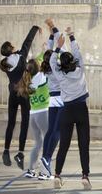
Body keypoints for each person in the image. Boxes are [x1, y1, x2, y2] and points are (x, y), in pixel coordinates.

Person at [49, 28, 91, 190]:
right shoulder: (80, 70)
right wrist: (72, 36)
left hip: (67, 111)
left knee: (64, 145)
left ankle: (57, 175)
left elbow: (53, 62)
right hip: (81, 109)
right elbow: (77, 52)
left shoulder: (60, 74)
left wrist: (58, 46)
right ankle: (85, 176)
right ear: (73, 61)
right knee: (83, 144)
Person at [0, 25, 41, 170]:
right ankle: (20, 153)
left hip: (12, 95)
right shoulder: (21, 56)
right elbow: (27, 42)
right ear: (11, 48)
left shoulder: (6, 63)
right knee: (24, 123)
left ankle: (6, 150)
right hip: (23, 94)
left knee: (11, 123)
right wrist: (35, 28)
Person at [16, 59, 49, 179]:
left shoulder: (28, 80)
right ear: (38, 67)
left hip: (33, 115)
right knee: (48, 142)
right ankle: (44, 172)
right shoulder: (42, 76)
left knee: (38, 143)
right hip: (43, 113)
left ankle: (31, 170)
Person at [40, 19, 64, 179]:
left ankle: (44, 159)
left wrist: (51, 33)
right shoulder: (56, 63)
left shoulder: (47, 62)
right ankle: (47, 159)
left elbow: (49, 51)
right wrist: (53, 26)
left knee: (50, 130)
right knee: (57, 131)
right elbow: (54, 50)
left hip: (52, 99)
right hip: (62, 99)